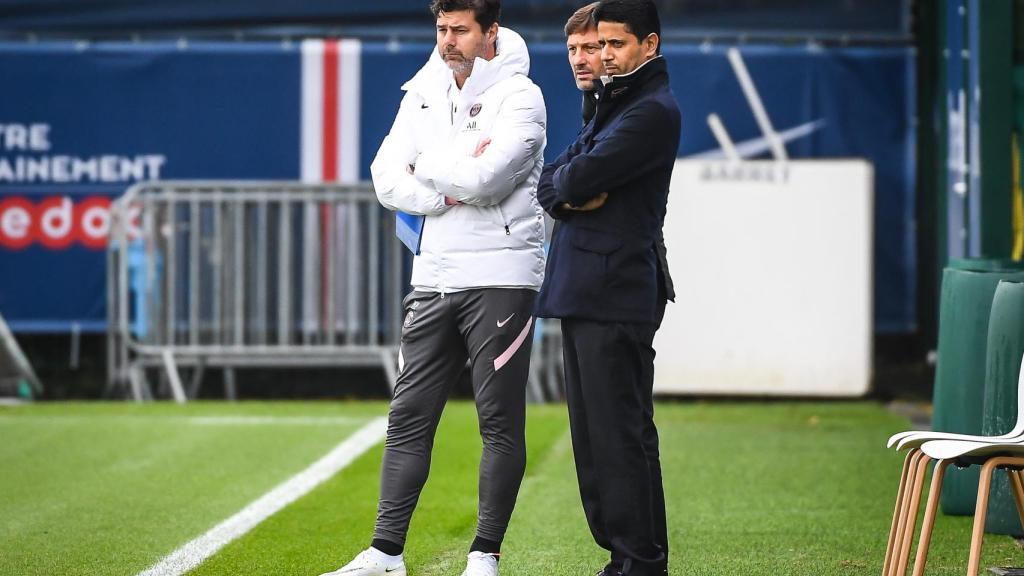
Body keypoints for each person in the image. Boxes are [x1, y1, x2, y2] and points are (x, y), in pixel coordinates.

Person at [318, 1, 547, 575]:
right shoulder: (422, 89)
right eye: (441, 28)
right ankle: (385, 554)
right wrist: (437, 191)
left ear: (490, 31)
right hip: (433, 275)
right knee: (408, 416)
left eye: (460, 30)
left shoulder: (522, 96)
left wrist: (427, 167)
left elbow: (489, 178)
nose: (448, 40)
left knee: (497, 422)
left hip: (501, 276)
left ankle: (484, 557)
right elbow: (385, 175)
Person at [535, 0, 680, 574]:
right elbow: (553, 180)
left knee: (617, 436)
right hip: (593, 288)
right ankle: (632, 559)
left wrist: (568, 189)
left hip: (614, 289)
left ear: (650, 45)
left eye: (612, 45)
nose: (602, 56)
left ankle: (637, 561)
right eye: (598, 46)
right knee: (603, 438)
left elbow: (577, 177)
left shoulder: (648, 112)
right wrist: (567, 192)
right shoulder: (615, 105)